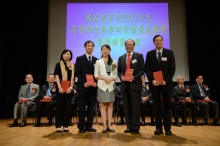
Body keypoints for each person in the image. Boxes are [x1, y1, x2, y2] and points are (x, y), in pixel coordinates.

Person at [145, 35, 176, 135]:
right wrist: (152, 80)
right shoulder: (150, 54)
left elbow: (172, 68)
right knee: (156, 106)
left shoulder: (169, 52)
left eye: (160, 40)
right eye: (156, 41)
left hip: (166, 84)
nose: (158, 42)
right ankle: (158, 128)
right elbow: (147, 69)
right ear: (154, 43)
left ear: (163, 41)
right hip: (154, 84)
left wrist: (166, 80)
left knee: (167, 106)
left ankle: (167, 128)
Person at [117, 39, 145, 134]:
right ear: (125, 46)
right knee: (126, 107)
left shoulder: (139, 56)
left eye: (131, 45)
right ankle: (129, 126)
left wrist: (135, 77)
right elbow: (119, 71)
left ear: (134, 46)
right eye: (127, 45)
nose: (129, 46)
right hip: (125, 85)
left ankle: (135, 127)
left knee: (136, 107)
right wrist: (121, 76)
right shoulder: (121, 58)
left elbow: (142, 70)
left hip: (135, 85)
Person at [75, 40, 98, 133]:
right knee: (81, 107)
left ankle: (89, 126)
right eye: (88, 46)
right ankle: (81, 126)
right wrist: (84, 82)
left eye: (92, 46)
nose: (90, 47)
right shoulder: (79, 58)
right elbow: (78, 72)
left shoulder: (96, 60)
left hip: (92, 88)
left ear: (93, 48)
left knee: (91, 107)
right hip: (82, 87)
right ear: (85, 47)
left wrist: (96, 82)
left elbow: (98, 73)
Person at [94, 44, 117, 133]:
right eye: (103, 49)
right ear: (101, 51)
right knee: (103, 105)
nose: (105, 51)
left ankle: (110, 126)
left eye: (107, 49)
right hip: (102, 86)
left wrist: (110, 79)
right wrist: (104, 78)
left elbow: (115, 74)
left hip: (111, 85)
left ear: (109, 51)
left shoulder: (113, 62)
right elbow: (96, 74)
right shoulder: (98, 62)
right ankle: (104, 126)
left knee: (110, 105)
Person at [54, 49, 75, 132]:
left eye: (68, 54)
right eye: (65, 54)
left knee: (67, 108)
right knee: (59, 107)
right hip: (60, 89)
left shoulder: (73, 65)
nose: (66, 55)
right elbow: (57, 76)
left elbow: (73, 78)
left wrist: (71, 87)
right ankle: (58, 125)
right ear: (62, 55)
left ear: (70, 56)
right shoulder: (58, 64)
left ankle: (66, 125)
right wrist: (59, 87)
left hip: (69, 89)